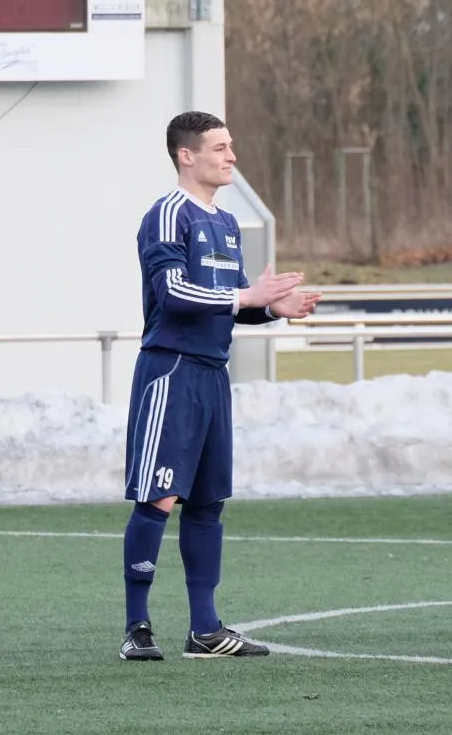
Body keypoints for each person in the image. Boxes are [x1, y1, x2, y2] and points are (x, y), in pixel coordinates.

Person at [118, 111, 318, 660]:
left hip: (212, 375)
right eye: (220, 147)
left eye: (231, 146)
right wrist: (247, 297)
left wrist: (271, 308)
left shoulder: (226, 223)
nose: (232, 156)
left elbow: (229, 302)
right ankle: (137, 628)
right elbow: (174, 293)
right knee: (159, 496)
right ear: (187, 156)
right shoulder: (167, 215)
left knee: (208, 503)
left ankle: (205, 629)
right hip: (171, 372)